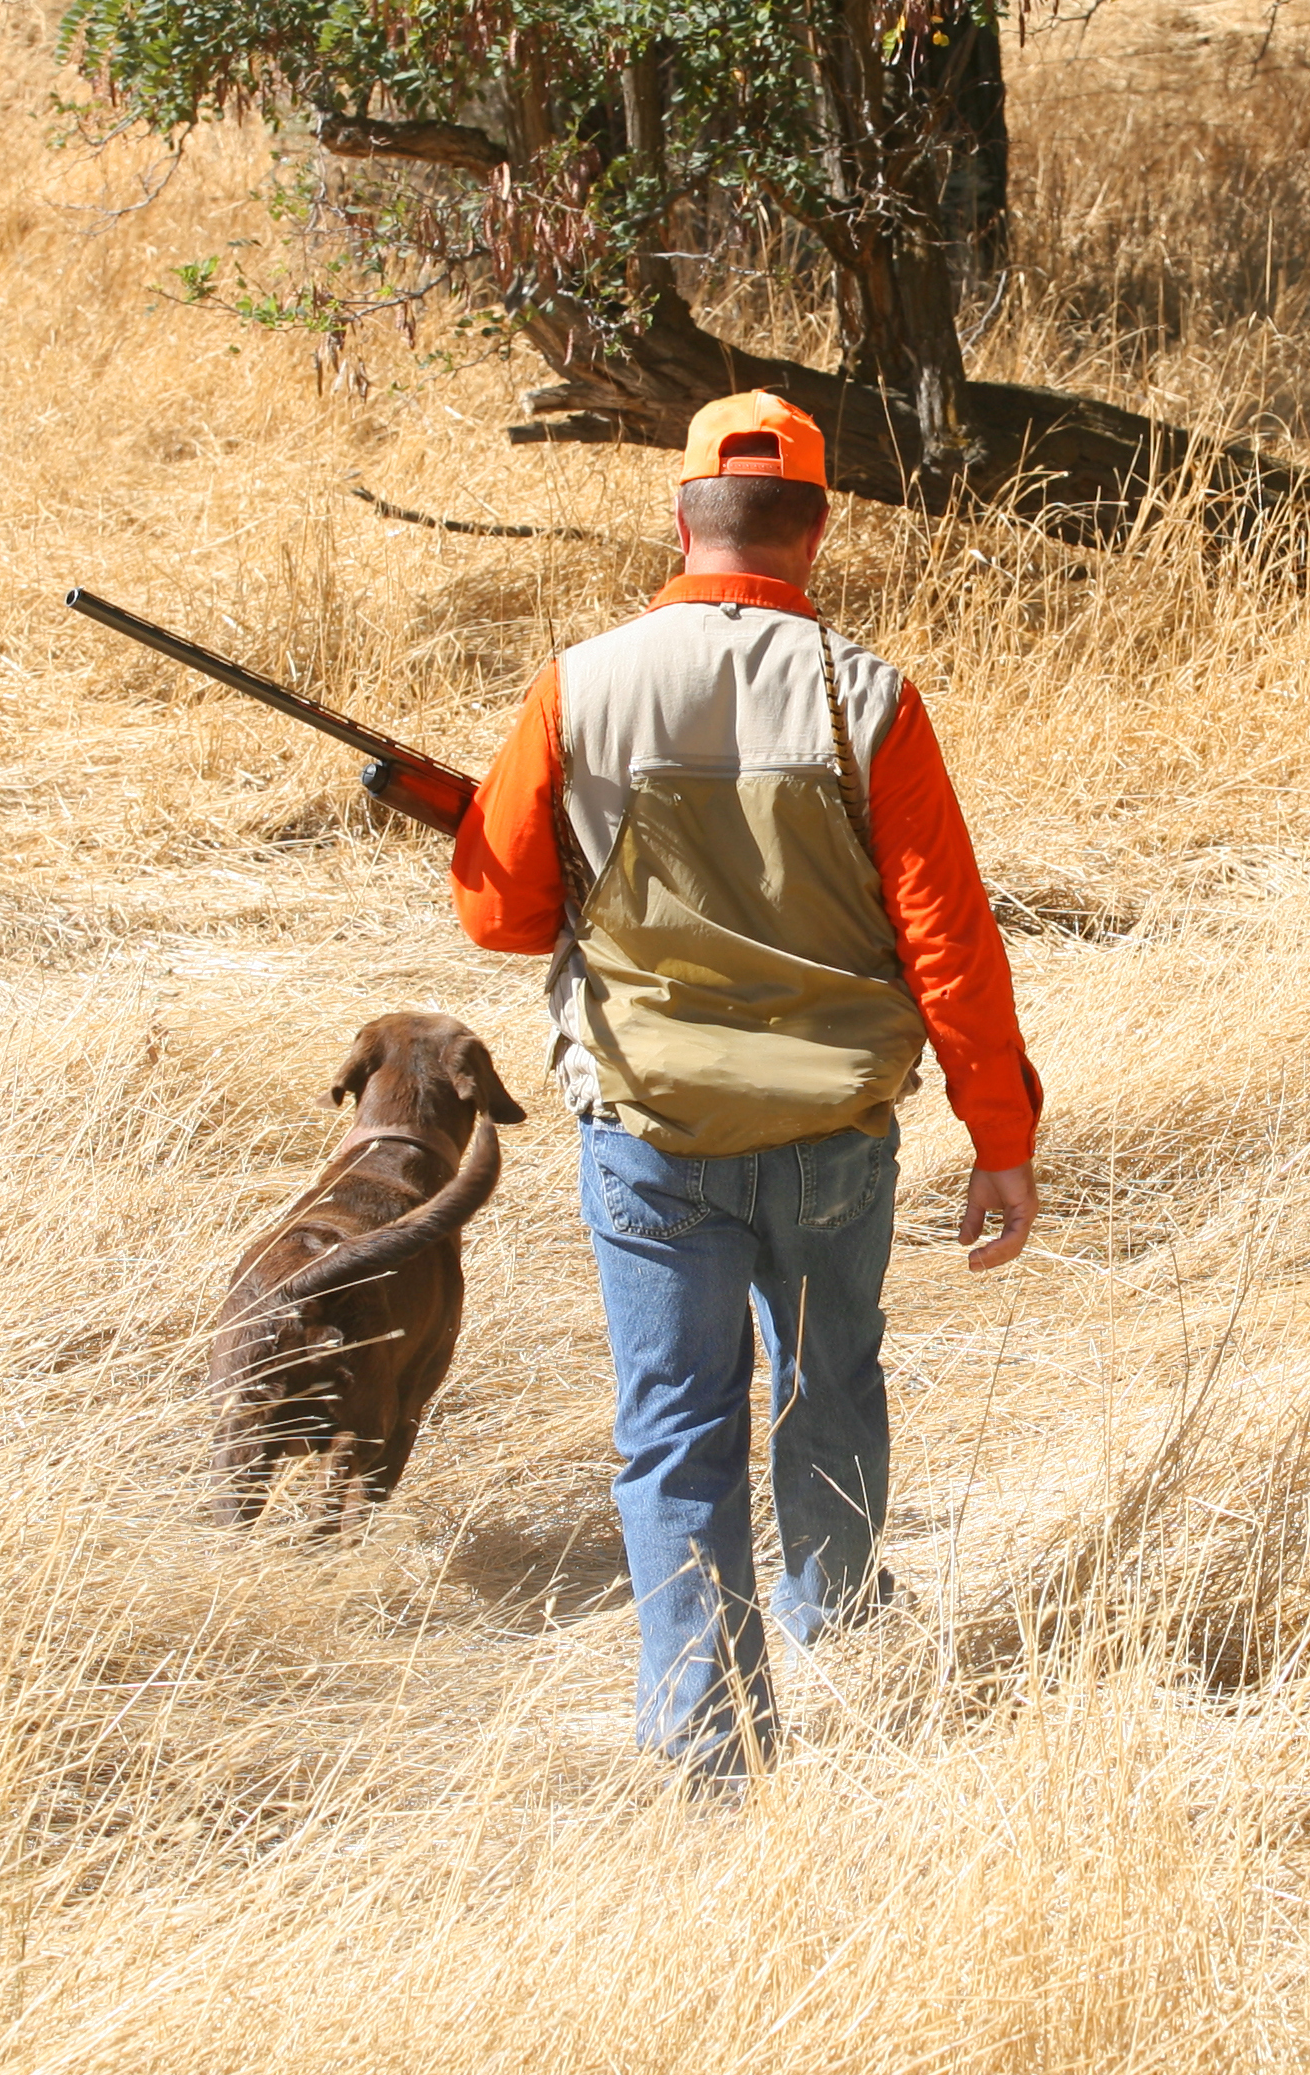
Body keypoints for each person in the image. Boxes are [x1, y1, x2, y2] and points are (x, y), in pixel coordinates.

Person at [451, 390, 1043, 1779]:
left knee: (676, 1429)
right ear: (817, 530)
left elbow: (500, 915)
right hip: (835, 1128)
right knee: (829, 1377)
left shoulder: (581, 682)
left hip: (651, 1127)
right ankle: (836, 1609)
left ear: (680, 517)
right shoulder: (869, 696)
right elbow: (948, 942)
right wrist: (999, 1138)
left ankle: (711, 1745)